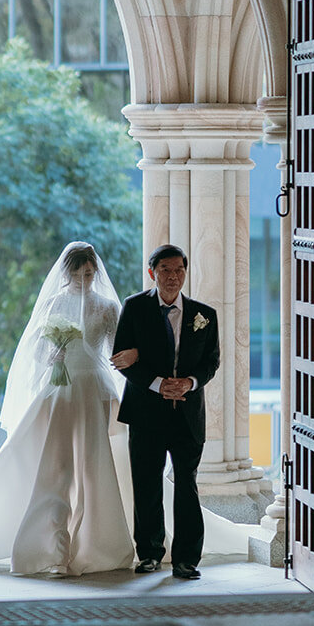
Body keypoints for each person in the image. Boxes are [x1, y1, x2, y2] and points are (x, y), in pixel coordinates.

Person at [0, 242, 135, 576]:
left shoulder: (107, 308)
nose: (85, 280)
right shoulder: (55, 304)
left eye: (89, 274)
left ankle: (97, 545)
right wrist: (54, 357)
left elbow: (116, 351)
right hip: (61, 389)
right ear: (67, 273)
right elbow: (40, 354)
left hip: (94, 388)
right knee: (56, 465)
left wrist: (126, 358)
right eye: (78, 274)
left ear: (95, 273)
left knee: (95, 464)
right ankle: (49, 548)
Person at [111, 243, 220, 580]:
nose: (173, 278)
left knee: (187, 483)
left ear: (185, 273)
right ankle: (150, 553)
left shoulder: (206, 314)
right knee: (146, 482)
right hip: (146, 411)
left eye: (178, 271)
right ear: (152, 273)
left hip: (188, 412)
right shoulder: (134, 307)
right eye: (165, 271)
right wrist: (158, 383)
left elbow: (211, 361)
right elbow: (121, 359)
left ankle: (187, 559)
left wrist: (189, 382)